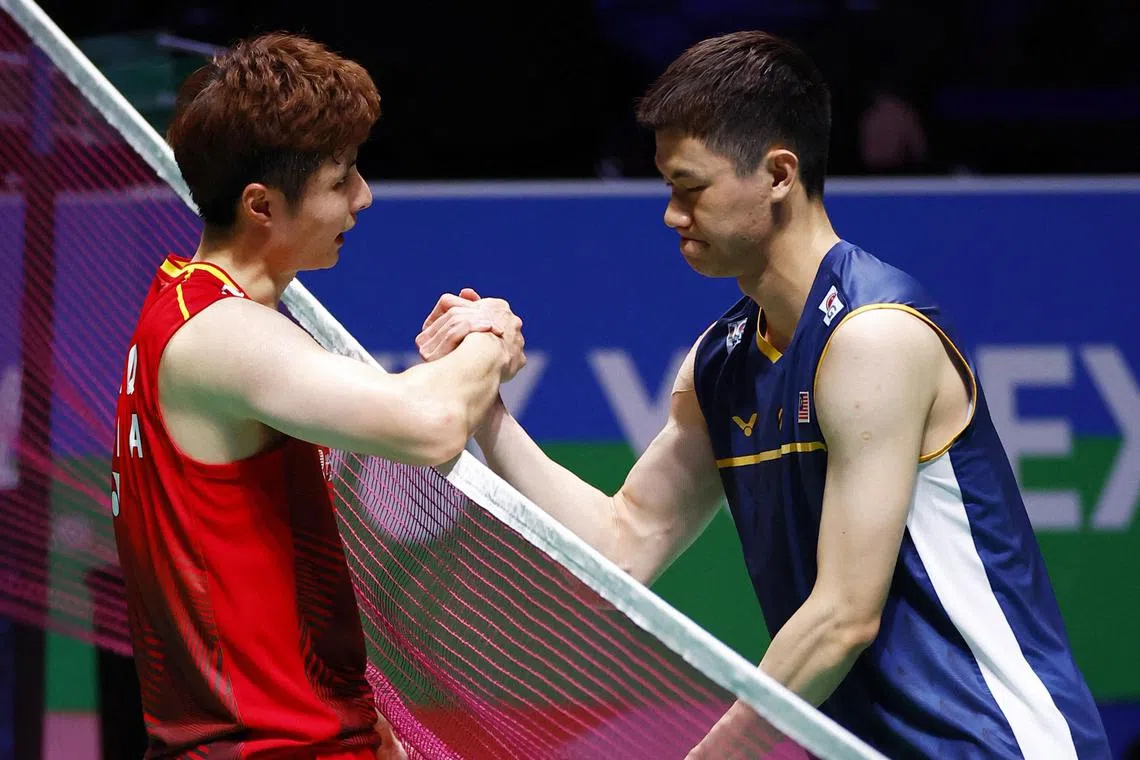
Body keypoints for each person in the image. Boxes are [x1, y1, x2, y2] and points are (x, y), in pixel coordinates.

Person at [417, 31, 1110, 759]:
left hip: (997, 745)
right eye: (667, 189)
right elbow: (619, 548)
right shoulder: (722, 360)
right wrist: (484, 403)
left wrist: (711, 757)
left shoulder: (873, 337)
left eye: (691, 188)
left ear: (779, 173)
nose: (671, 215)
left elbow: (842, 617)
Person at [110, 33, 525, 758]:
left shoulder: (184, 307)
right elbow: (430, 425)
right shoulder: (221, 334)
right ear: (262, 205)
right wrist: (490, 337)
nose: (362, 198)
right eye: (340, 181)